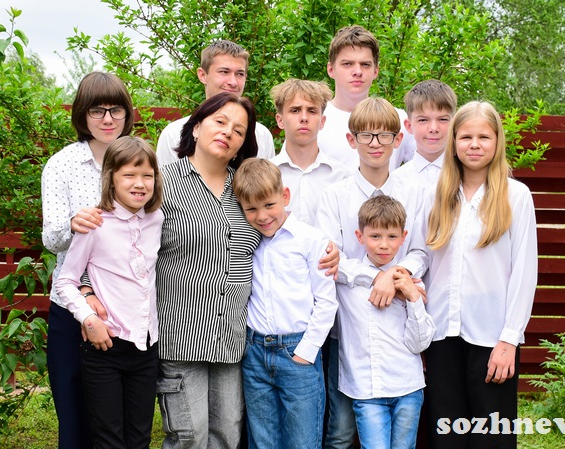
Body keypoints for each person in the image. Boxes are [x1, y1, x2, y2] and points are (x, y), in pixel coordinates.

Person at [155, 92, 338, 449]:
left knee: (228, 434)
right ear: (196, 126)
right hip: (181, 336)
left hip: (234, 340)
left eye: (239, 130)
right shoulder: (163, 183)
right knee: (189, 437)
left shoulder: (242, 187)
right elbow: (125, 239)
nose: (228, 132)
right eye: (220, 122)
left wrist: (331, 250)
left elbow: (281, 234)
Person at [423, 101, 538, 449]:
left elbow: (524, 272)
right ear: (454, 142)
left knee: (491, 436)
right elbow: (422, 258)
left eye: (484, 137)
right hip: (442, 334)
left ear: (497, 141)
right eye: (466, 137)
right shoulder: (436, 194)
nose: (474, 145)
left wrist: (509, 340)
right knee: (446, 435)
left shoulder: (516, 196)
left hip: (492, 337)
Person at [315, 97, 428, 449]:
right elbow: (330, 258)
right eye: (366, 135)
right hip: (350, 328)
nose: (375, 144)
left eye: (384, 136)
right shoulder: (335, 195)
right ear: (352, 141)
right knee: (341, 430)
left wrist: (395, 274)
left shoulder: (415, 192)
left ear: (398, 140)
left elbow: (421, 251)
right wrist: (375, 276)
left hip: (398, 327)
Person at [41, 71, 134, 449]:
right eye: (97, 110)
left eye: (116, 110)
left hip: (122, 310)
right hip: (72, 307)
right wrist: (72, 224)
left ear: (127, 113)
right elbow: (50, 240)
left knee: (118, 421)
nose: (108, 119)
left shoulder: (138, 160)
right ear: (82, 114)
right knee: (74, 414)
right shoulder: (62, 164)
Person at [54, 136, 164, 449]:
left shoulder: (157, 219)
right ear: (111, 178)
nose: (139, 183)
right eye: (129, 175)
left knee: (140, 437)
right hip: (106, 348)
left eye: (147, 175)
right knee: (108, 438)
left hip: (146, 347)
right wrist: (88, 318)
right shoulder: (95, 224)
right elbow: (66, 280)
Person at [232, 158, 338, 449]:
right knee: (263, 438)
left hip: (297, 351)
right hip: (255, 352)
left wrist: (307, 350)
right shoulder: (248, 241)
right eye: (251, 209)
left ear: (285, 196)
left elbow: (326, 301)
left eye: (269, 205)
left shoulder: (311, 240)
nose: (262, 216)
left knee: (302, 439)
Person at [336, 195, 436, 449]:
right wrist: (380, 278)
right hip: (367, 389)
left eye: (392, 237)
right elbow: (337, 266)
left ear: (403, 237)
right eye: (375, 236)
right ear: (359, 237)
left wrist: (413, 297)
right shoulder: (348, 279)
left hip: (408, 387)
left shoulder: (412, 283)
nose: (383, 245)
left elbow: (419, 344)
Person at [156, 40, 275, 165]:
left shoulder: (262, 136)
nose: (233, 82)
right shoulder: (173, 135)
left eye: (240, 74)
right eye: (224, 72)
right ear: (202, 75)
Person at [317, 25, 416, 171]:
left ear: (375, 71)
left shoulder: (400, 120)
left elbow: (429, 170)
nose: (357, 71)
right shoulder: (314, 122)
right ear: (331, 69)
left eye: (365, 64)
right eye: (347, 64)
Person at [269, 78, 352, 225]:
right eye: (295, 110)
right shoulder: (265, 175)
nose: (304, 118)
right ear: (280, 120)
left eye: (312, 111)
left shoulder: (342, 177)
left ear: (322, 121)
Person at [394, 79, 457, 189]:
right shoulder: (395, 183)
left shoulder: (468, 178)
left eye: (443, 119)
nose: (433, 129)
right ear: (409, 126)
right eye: (423, 120)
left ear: (454, 123)